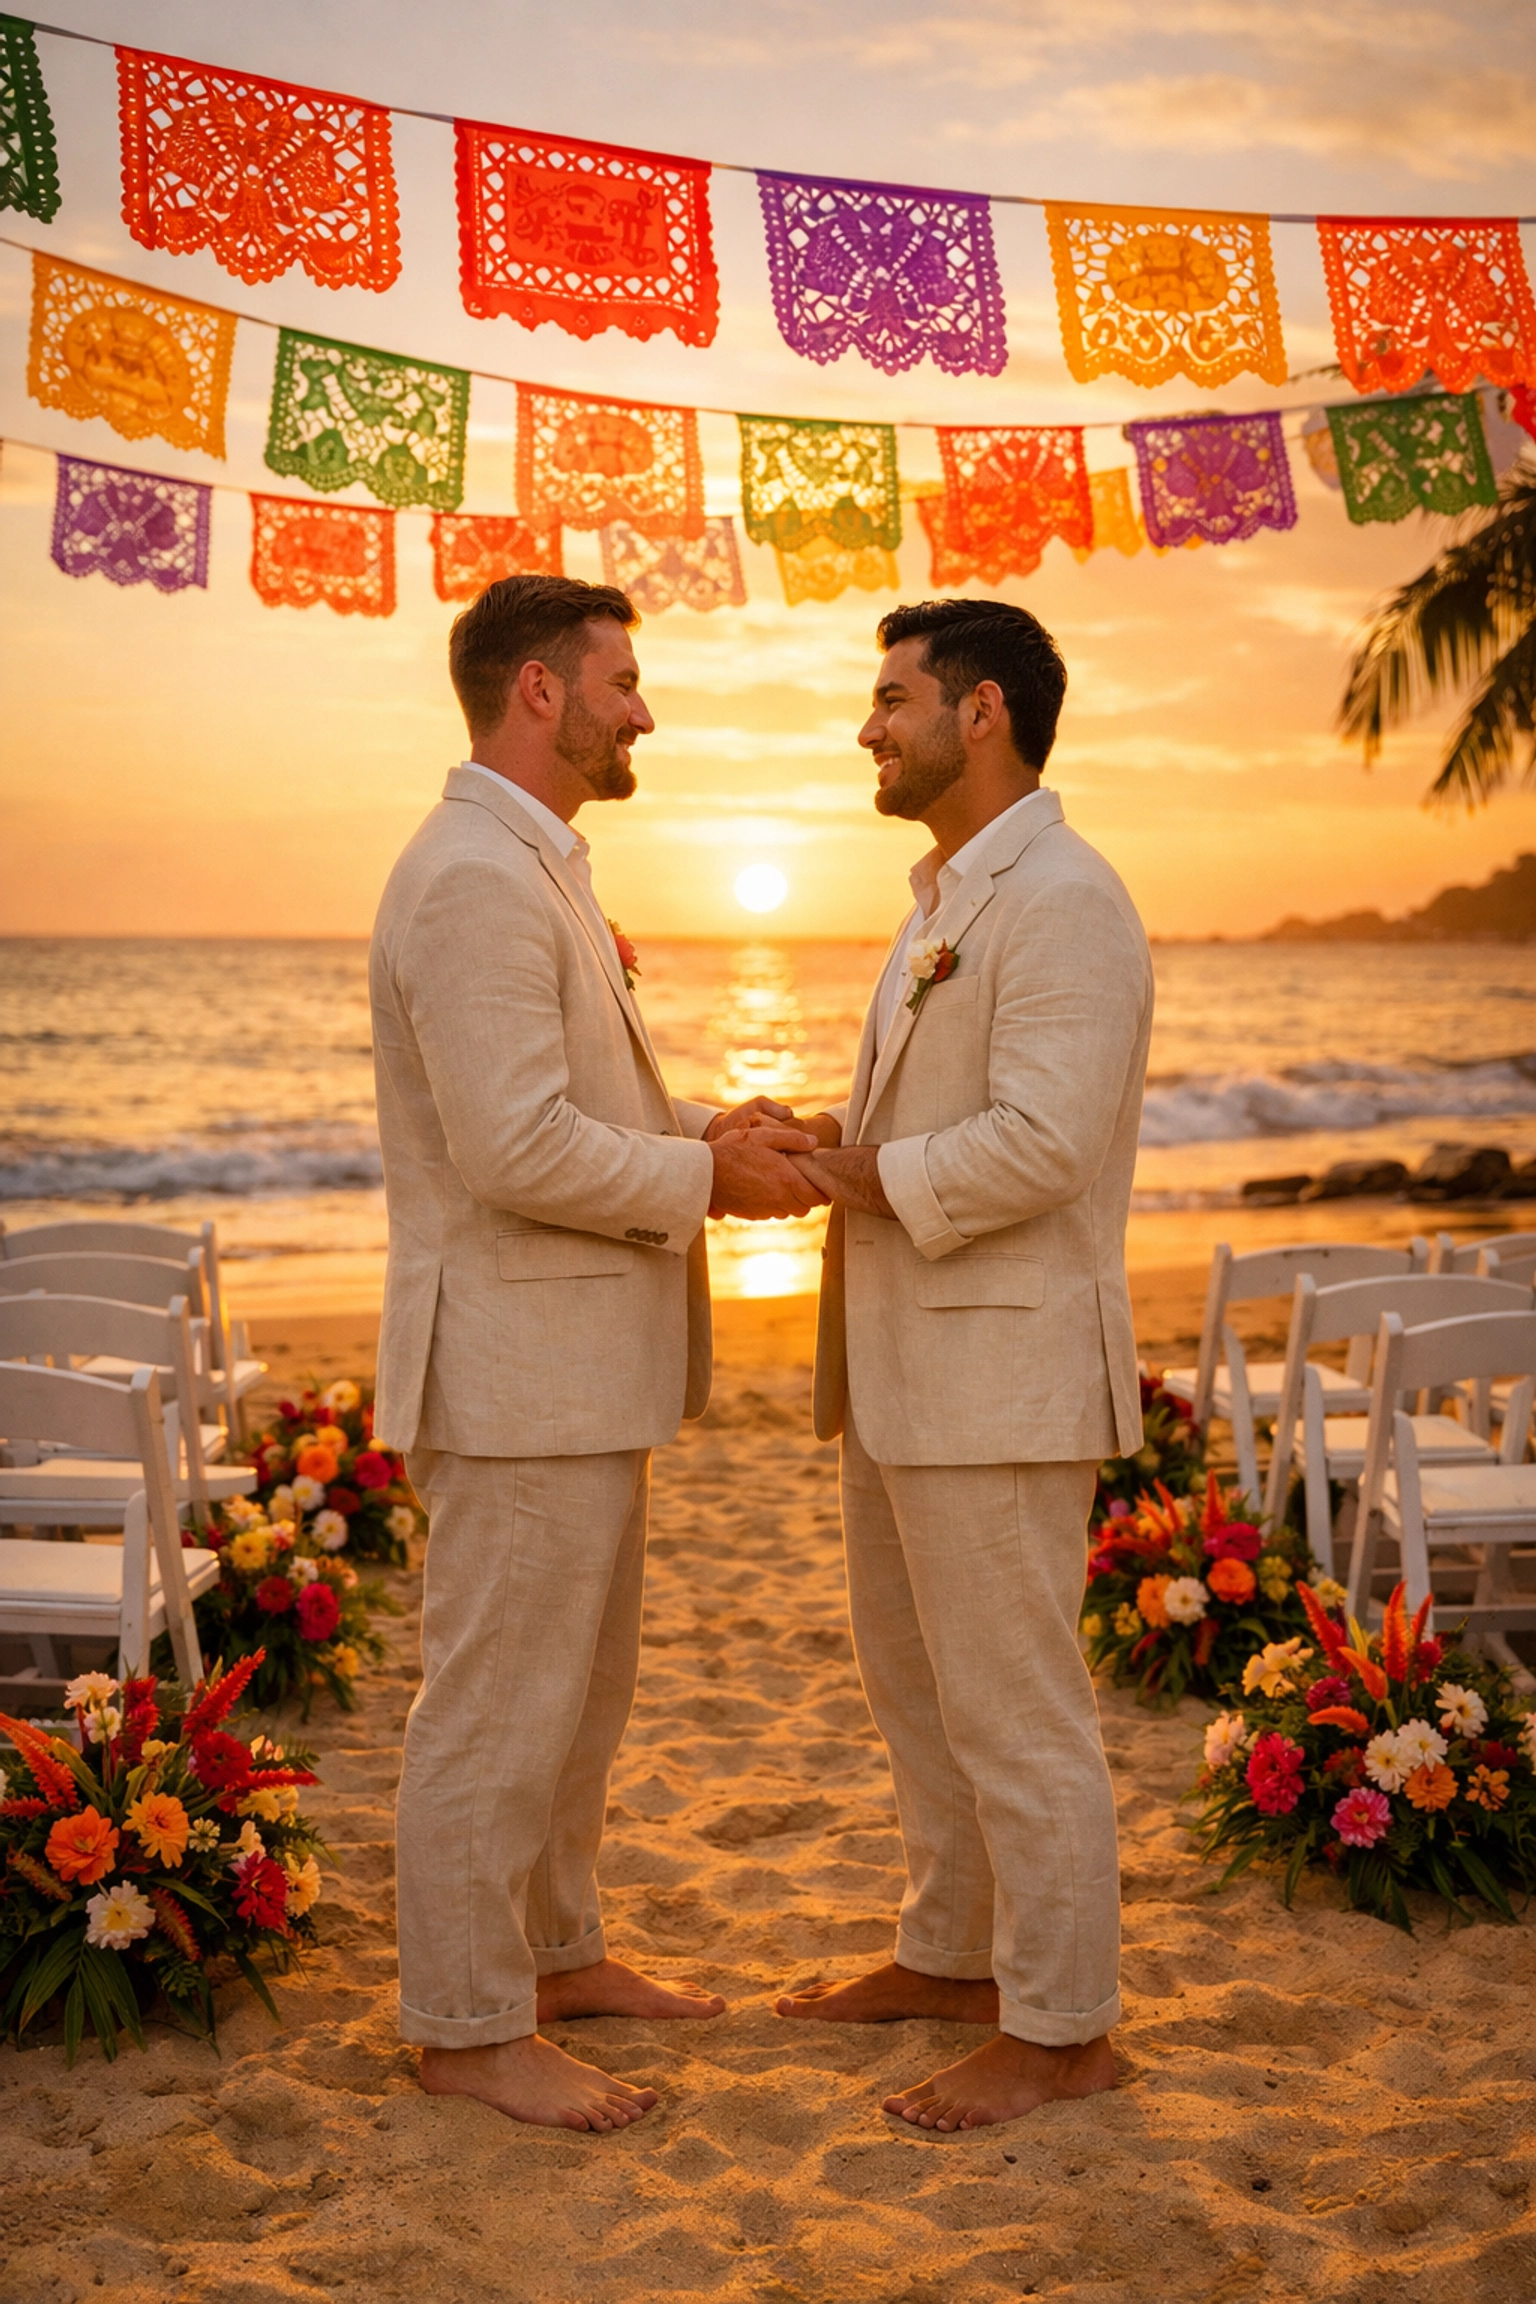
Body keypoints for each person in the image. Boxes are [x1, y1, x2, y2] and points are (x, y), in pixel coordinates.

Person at [369, 574, 823, 2132]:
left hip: (575, 1371)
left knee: (576, 1698)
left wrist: (707, 1121)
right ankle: (467, 2024)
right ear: (541, 694)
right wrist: (713, 1185)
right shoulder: (475, 879)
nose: (645, 708)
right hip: (513, 1375)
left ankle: (553, 1956)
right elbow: (511, 1150)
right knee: (497, 1703)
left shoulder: (536, 867)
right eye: (623, 680)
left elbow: (580, 1101)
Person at [776, 597, 1153, 2131]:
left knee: (1017, 1707)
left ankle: (1064, 2030)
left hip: (1000, 1380)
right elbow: (946, 1119)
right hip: (907, 1376)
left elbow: (1045, 1145)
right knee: (919, 1691)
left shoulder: (1061, 896)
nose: (869, 726)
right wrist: (832, 1144)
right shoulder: (943, 896)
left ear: (978, 711)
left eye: (891, 698)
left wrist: (851, 1176)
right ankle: (954, 1956)